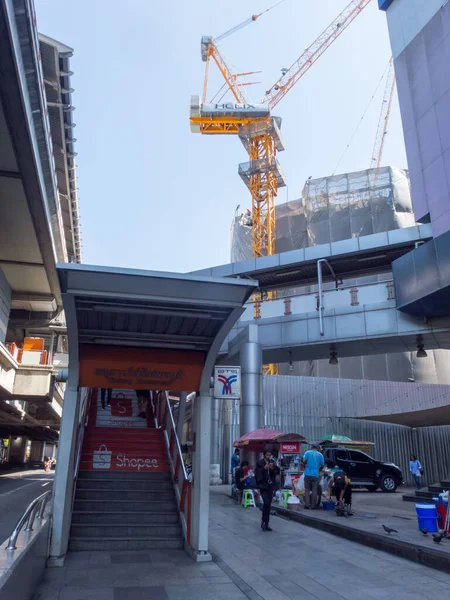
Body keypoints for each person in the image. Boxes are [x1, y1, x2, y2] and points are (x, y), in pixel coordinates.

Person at [256, 449, 276, 531]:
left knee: (269, 504)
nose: (268, 457)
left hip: (270, 485)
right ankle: (263, 520)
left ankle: (266, 522)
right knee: (266, 502)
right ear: (264, 455)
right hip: (263, 486)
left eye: (269, 455)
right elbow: (257, 473)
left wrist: (272, 469)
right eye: (267, 455)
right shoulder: (260, 463)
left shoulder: (272, 462)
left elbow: (275, 473)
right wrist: (264, 468)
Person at [302, 442, 324, 509]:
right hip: (315, 474)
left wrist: (305, 463)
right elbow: (322, 465)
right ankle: (313, 505)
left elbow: (303, 460)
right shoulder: (320, 455)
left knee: (307, 489)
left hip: (307, 473)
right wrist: (318, 470)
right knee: (315, 490)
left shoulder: (307, 452)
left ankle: (307, 505)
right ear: (317, 447)